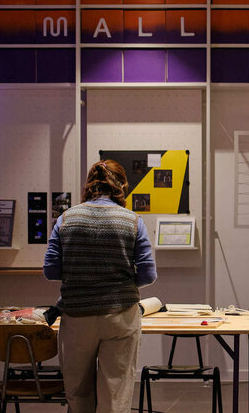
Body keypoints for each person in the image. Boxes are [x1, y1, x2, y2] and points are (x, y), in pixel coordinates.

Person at [43, 160, 157, 413]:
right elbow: (148, 274)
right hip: (120, 317)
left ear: (89, 185)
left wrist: (81, 277)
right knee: (115, 394)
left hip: (76, 317)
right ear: (122, 185)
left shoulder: (66, 219)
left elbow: (50, 271)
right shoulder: (133, 221)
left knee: (78, 392)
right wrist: (119, 284)